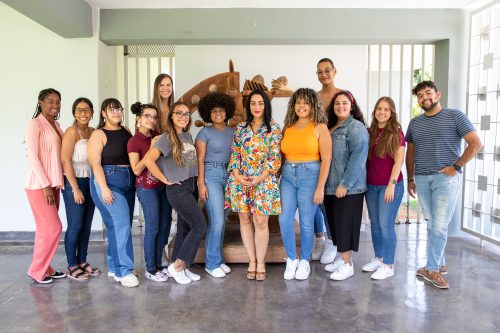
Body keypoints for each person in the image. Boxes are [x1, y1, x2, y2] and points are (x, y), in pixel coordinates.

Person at [406, 81, 481, 289]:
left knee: (439, 225)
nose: (424, 98)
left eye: (428, 93)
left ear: (437, 94)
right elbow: (410, 153)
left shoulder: (455, 116)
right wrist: (410, 179)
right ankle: (439, 264)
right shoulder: (415, 123)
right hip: (421, 178)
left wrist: (456, 167)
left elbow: (476, 143)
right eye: (420, 96)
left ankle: (431, 269)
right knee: (432, 224)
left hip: (445, 179)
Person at [144, 102, 207, 285]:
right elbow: (148, 160)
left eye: (186, 113)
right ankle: (178, 266)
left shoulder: (187, 135)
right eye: (179, 113)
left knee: (184, 229)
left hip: (191, 186)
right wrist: (165, 180)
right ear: (171, 116)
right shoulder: (166, 138)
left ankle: (181, 269)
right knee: (199, 226)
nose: (183, 116)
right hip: (177, 189)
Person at [225, 89, 282, 281]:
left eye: (260, 103)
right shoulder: (241, 128)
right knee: (245, 219)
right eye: (253, 103)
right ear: (248, 107)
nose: (257, 107)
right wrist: (237, 175)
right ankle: (251, 261)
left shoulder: (274, 128)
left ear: (266, 105)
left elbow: (274, 158)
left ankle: (261, 261)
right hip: (241, 180)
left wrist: (260, 177)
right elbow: (234, 154)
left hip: (264, 181)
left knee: (261, 221)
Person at [279, 88, 332, 280]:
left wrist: (320, 188)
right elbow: (281, 155)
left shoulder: (320, 127)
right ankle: (292, 259)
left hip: (310, 175)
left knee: (306, 221)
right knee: (284, 219)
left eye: (306, 102)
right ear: (293, 105)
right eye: (298, 102)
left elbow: (326, 160)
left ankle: (305, 261)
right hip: (287, 176)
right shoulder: (288, 126)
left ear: (313, 105)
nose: (302, 106)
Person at [88, 98, 138, 288]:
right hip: (107, 181)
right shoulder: (98, 134)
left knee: (115, 226)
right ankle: (124, 271)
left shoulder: (125, 130)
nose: (116, 112)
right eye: (111, 109)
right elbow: (95, 164)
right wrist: (104, 189)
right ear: (103, 113)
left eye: (118, 109)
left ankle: (113, 266)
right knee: (122, 224)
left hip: (128, 182)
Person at [323, 91, 369, 281]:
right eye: (337, 104)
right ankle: (341, 259)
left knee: (346, 225)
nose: (340, 106)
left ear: (351, 105)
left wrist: (346, 184)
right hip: (330, 186)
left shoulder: (356, 127)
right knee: (335, 225)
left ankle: (348, 263)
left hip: (349, 188)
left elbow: (358, 158)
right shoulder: (331, 127)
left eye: (344, 103)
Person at [25, 88, 67, 284]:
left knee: (44, 230)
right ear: (40, 102)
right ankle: (37, 270)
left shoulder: (57, 124)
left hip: (54, 184)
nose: (55, 105)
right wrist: (45, 185)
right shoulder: (34, 124)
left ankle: (46, 268)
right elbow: (33, 157)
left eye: (57, 102)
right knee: (53, 228)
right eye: (50, 101)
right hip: (39, 185)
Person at [127, 102, 172, 283]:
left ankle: (160, 264)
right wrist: (152, 149)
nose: (151, 120)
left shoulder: (159, 136)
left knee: (164, 225)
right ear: (139, 118)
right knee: (152, 227)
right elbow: (137, 170)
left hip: (163, 186)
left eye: (154, 117)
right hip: (146, 189)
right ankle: (150, 268)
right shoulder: (133, 141)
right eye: (147, 116)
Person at [362, 97, 405, 280]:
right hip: (372, 187)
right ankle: (379, 258)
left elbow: (398, 161)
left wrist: (391, 185)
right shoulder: (370, 131)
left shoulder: (396, 132)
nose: (382, 112)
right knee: (375, 225)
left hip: (390, 186)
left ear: (392, 112)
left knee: (386, 225)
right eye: (379, 108)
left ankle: (389, 264)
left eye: (386, 109)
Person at [195, 93, 235, 278]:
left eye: (221, 109)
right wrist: (201, 183)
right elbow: (200, 159)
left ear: (227, 111)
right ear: (207, 113)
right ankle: (211, 263)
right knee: (217, 220)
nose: (218, 113)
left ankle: (218, 260)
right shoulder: (204, 133)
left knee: (222, 220)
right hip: (211, 174)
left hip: (229, 175)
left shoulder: (233, 131)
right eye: (213, 110)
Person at [61, 97, 98, 281]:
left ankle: (82, 260)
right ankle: (72, 264)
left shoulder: (93, 132)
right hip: (74, 182)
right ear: (74, 113)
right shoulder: (71, 132)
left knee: (86, 225)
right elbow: (65, 160)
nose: (83, 113)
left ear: (92, 112)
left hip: (90, 181)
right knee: (75, 225)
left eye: (86, 110)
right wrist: (75, 189)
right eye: (79, 110)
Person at [312, 57, 343, 264]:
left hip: (336, 151)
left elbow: (350, 121)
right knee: (312, 200)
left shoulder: (341, 96)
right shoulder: (314, 97)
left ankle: (333, 241)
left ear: (334, 71)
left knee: (328, 200)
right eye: (320, 72)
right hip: (314, 153)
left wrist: (327, 133)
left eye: (327, 70)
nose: (324, 74)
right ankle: (319, 238)